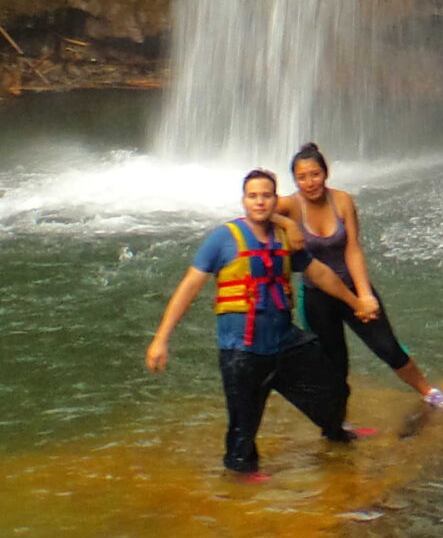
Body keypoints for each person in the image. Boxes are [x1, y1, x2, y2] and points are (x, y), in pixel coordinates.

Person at [144, 167, 379, 476]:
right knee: (243, 426)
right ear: (244, 201)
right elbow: (189, 287)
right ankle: (242, 477)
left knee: (333, 386)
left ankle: (335, 432)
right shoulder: (223, 239)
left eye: (266, 196)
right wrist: (161, 338)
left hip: (284, 341)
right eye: (253, 196)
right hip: (242, 349)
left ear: (274, 199)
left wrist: (355, 301)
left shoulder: (285, 237)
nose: (260, 202)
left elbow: (319, 274)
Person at [286, 141, 443, 415]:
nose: (309, 182)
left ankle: (428, 391)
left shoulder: (341, 200)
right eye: (302, 177)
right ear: (295, 180)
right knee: (334, 363)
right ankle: (337, 422)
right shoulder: (291, 206)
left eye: (315, 174)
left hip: (353, 286)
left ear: (325, 174)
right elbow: (257, 210)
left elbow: (353, 247)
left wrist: (365, 294)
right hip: (317, 297)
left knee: (387, 346)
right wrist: (285, 224)